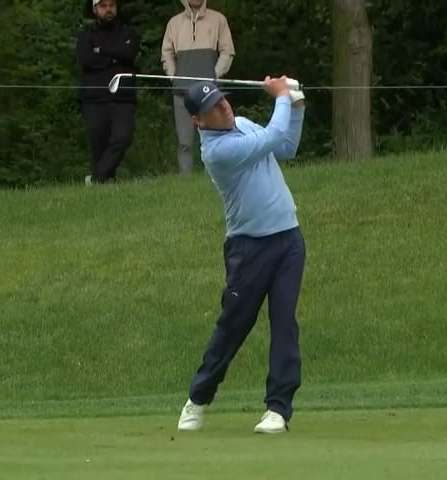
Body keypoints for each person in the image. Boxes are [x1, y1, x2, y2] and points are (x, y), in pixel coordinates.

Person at [175, 76, 307, 434]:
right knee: (233, 326)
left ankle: (278, 409)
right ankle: (198, 399)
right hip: (249, 249)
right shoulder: (216, 153)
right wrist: (280, 96)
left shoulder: (243, 125)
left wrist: (295, 107)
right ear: (198, 121)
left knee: (284, 323)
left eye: (223, 100)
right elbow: (272, 138)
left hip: (288, 240)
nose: (224, 107)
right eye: (213, 108)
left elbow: (286, 146)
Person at [161, 0, 235, 175]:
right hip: (181, 93)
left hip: (210, 94)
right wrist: (174, 77)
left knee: (217, 138)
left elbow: (227, 51)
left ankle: (218, 176)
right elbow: (166, 54)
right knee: (184, 142)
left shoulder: (218, 19)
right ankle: (186, 180)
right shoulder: (174, 23)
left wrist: (214, 75)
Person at [76, 0, 140, 185]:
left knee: (123, 137)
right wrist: (114, 59)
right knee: (98, 142)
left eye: (112, 5)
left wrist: (102, 51)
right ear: (95, 9)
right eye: (103, 6)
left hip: (123, 97)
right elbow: (87, 60)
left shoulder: (127, 32)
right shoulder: (86, 35)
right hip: (94, 98)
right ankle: (105, 182)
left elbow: (129, 53)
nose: (109, 9)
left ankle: (96, 178)